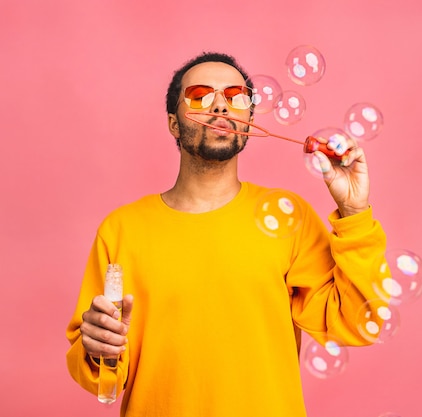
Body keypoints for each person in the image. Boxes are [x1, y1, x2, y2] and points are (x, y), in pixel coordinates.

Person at [66, 51, 387, 416]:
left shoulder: (290, 217)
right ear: (174, 123)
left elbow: (358, 323)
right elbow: (101, 377)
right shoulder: (121, 229)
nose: (220, 107)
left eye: (235, 97)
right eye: (201, 96)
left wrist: (355, 211)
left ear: (248, 119)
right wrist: (96, 347)